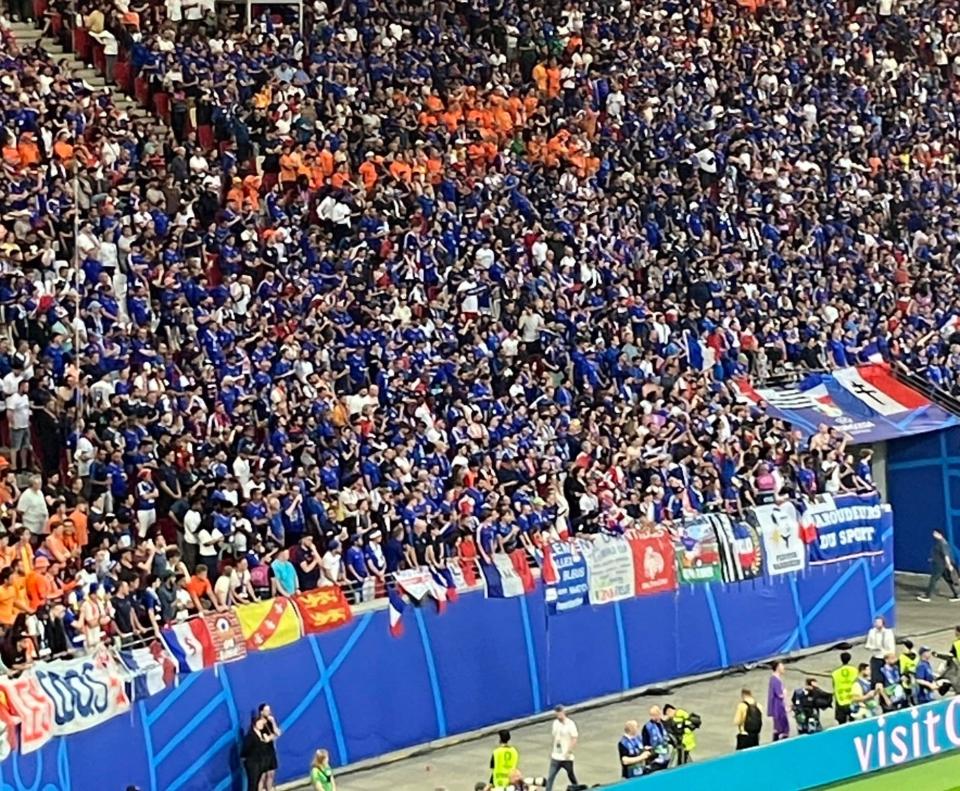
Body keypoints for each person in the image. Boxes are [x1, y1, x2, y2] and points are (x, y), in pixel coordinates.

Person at [918, 530, 960, 602]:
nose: (933, 534)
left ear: (940, 534)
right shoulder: (941, 542)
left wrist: (949, 565)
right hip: (941, 564)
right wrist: (933, 559)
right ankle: (957, 595)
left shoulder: (942, 543)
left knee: (933, 580)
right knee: (948, 580)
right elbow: (940, 554)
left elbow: (946, 555)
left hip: (940, 565)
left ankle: (927, 596)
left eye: (935, 533)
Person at [544, 706, 578, 791]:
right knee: (551, 777)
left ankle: (578, 787)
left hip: (566, 757)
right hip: (556, 756)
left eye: (559, 713)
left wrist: (569, 751)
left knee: (571, 774)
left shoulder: (570, 724)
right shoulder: (555, 723)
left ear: (563, 712)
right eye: (557, 713)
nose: (558, 715)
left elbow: (574, 738)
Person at [865, 616, 896, 687]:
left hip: (886, 659)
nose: (877, 624)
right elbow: (867, 645)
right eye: (876, 622)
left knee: (887, 679)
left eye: (879, 622)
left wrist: (891, 658)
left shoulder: (888, 632)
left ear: (883, 623)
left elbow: (892, 647)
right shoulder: (871, 632)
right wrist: (874, 648)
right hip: (876, 657)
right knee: (876, 679)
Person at [832, 652, 859, 725]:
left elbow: (834, 685)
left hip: (840, 698)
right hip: (852, 698)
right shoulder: (855, 670)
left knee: (841, 722)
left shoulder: (835, 672)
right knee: (853, 720)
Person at [640, 706, 670, 773]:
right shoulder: (647, 727)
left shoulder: (664, 723)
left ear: (659, 714)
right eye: (651, 715)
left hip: (666, 755)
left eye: (655, 715)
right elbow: (644, 743)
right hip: (654, 757)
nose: (653, 717)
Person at [767, 662, 789, 741]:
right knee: (782, 726)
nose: (783, 668)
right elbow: (780, 694)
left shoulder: (775, 679)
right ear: (777, 668)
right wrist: (784, 693)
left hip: (778, 706)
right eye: (781, 666)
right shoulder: (775, 680)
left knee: (777, 726)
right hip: (778, 707)